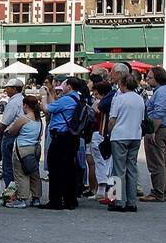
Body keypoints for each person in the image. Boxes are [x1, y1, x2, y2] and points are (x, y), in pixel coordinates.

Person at [43, 74, 90, 211]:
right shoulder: (78, 97)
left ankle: (56, 200)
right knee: (69, 168)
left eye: (63, 84)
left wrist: (43, 97)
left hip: (61, 136)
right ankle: (70, 199)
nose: (61, 86)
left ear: (69, 86)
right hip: (72, 136)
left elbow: (47, 108)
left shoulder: (67, 99)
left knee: (56, 168)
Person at [106, 67, 146, 213]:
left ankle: (117, 201)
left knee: (118, 169)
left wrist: (110, 134)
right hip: (135, 135)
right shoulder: (139, 99)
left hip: (120, 135)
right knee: (132, 168)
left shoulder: (119, 99)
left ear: (122, 85)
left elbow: (112, 120)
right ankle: (131, 201)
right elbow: (142, 119)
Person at [4, 96, 45, 209]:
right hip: (35, 148)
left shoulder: (23, 119)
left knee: (21, 174)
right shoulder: (38, 120)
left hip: (22, 149)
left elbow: (12, 131)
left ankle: (22, 199)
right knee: (34, 173)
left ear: (25, 105)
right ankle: (36, 197)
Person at [0, 75, 27, 197]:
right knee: (18, 166)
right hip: (21, 135)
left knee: (8, 165)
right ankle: (17, 191)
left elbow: (5, 122)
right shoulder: (22, 100)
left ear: (14, 89)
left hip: (10, 135)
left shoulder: (13, 102)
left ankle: (9, 192)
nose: (6, 90)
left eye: (8, 88)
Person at [89, 72, 115, 203]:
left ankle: (108, 194)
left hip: (101, 133)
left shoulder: (101, 103)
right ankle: (111, 195)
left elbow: (98, 111)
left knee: (102, 163)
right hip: (111, 134)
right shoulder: (115, 99)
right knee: (111, 164)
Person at [145, 66, 166, 202]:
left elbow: (159, 112)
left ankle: (158, 192)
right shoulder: (159, 91)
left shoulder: (161, 92)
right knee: (163, 162)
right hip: (162, 128)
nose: (147, 79)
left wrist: (152, 130)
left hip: (159, 129)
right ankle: (162, 190)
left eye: (150, 77)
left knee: (156, 162)